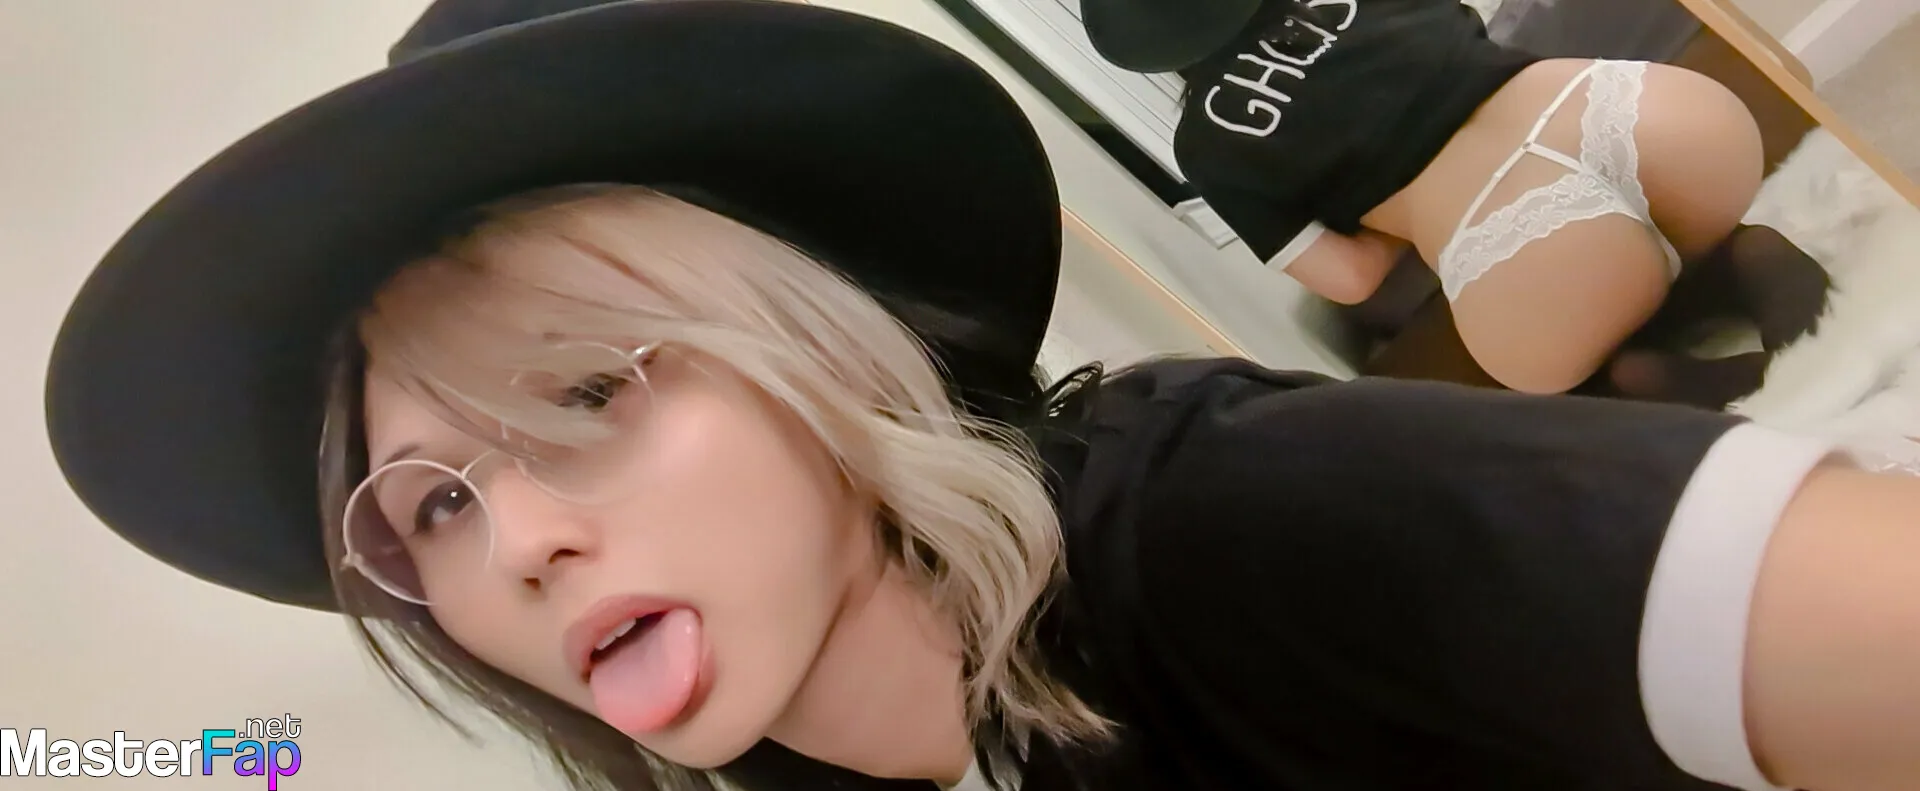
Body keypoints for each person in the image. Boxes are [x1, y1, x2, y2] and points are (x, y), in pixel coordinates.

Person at [41, 2, 1920, 790]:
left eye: (589, 390)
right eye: (437, 499)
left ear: (812, 345)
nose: (520, 538)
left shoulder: (1219, 529)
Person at [1082, 0, 1769, 395]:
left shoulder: (1207, 146)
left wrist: (1385, 209)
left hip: (1514, 241)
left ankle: (1633, 359)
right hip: (1652, 120)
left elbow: (1351, 280)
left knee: (1549, 359)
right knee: (1672, 225)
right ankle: (1718, 264)